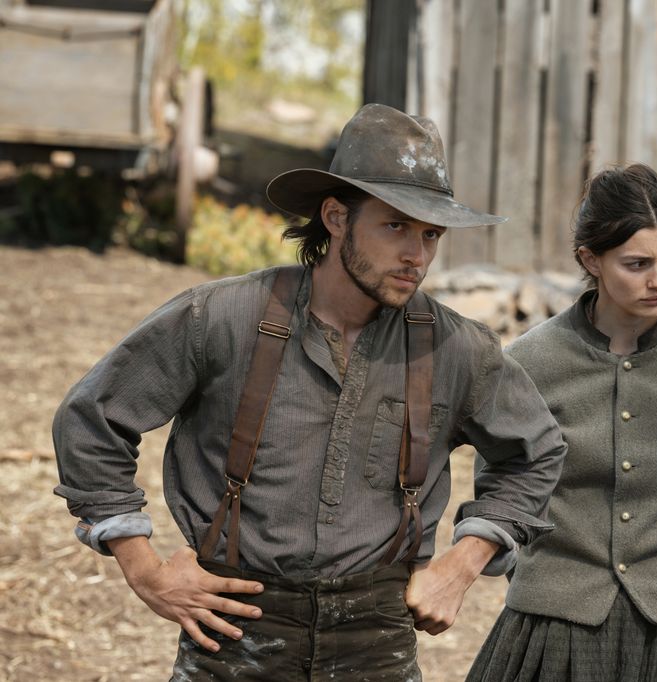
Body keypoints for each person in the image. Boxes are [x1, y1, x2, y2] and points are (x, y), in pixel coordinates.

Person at [52, 103, 566, 681]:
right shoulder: (223, 317)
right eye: (395, 225)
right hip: (235, 628)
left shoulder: (456, 348)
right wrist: (144, 568)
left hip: (378, 638)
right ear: (336, 218)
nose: (415, 256)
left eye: (430, 235)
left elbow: (536, 453)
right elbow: (92, 418)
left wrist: (463, 562)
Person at [468, 164, 657, 681]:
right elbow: (502, 486)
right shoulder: (529, 362)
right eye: (637, 263)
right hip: (550, 627)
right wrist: (548, 581)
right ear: (591, 260)